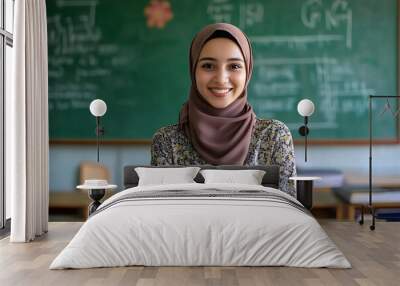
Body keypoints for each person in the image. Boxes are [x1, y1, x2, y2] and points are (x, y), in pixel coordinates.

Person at [151, 23, 297, 197]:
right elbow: (161, 214)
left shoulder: (273, 136)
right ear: (193, 70)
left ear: (248, 71)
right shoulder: (168, 142)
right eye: (208, 66)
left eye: (234, 66)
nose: (221, 79)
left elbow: (289, 212)